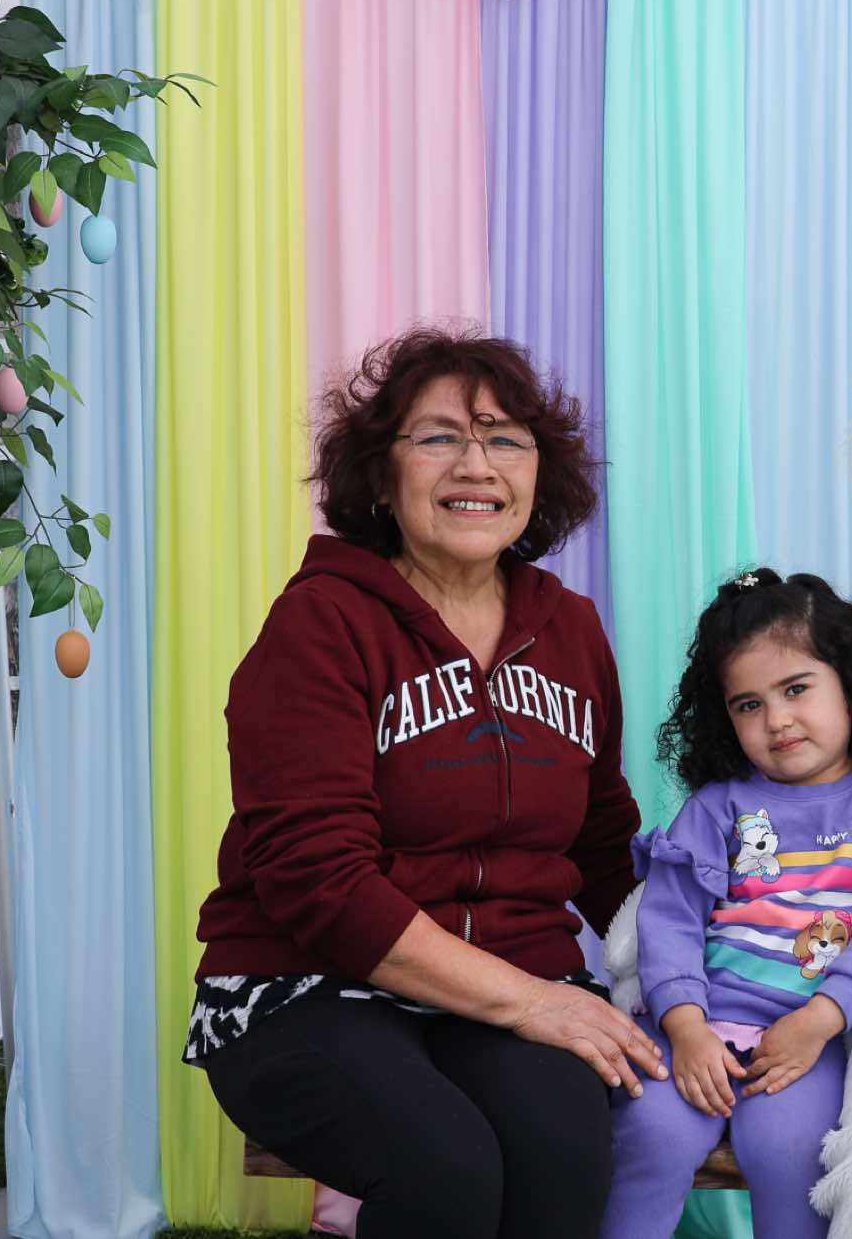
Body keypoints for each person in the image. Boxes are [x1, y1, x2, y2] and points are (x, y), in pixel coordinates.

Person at [185, 326, 664, 1239]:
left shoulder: (570, 629)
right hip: (305, 985)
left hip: (513, 976)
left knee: (564, 1146)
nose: (475, 464)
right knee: (444, 1162)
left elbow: (603, 843)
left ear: (540, 473)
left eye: (505, 439)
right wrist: (535, 1001)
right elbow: (319, 883)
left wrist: (692, 981)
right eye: (440, 436)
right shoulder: (320, 625)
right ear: (381, 474)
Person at [598, 570, 852, 1239]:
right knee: (651, 1131)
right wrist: (685, 1026)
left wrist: (821, 1020)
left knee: (789, 1149)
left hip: (808, 1036)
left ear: (850, 683)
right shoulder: (719, 805)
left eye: (796, 689)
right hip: (695, 1025)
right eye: (748, 704)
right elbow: (670, 918)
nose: (777, 720)